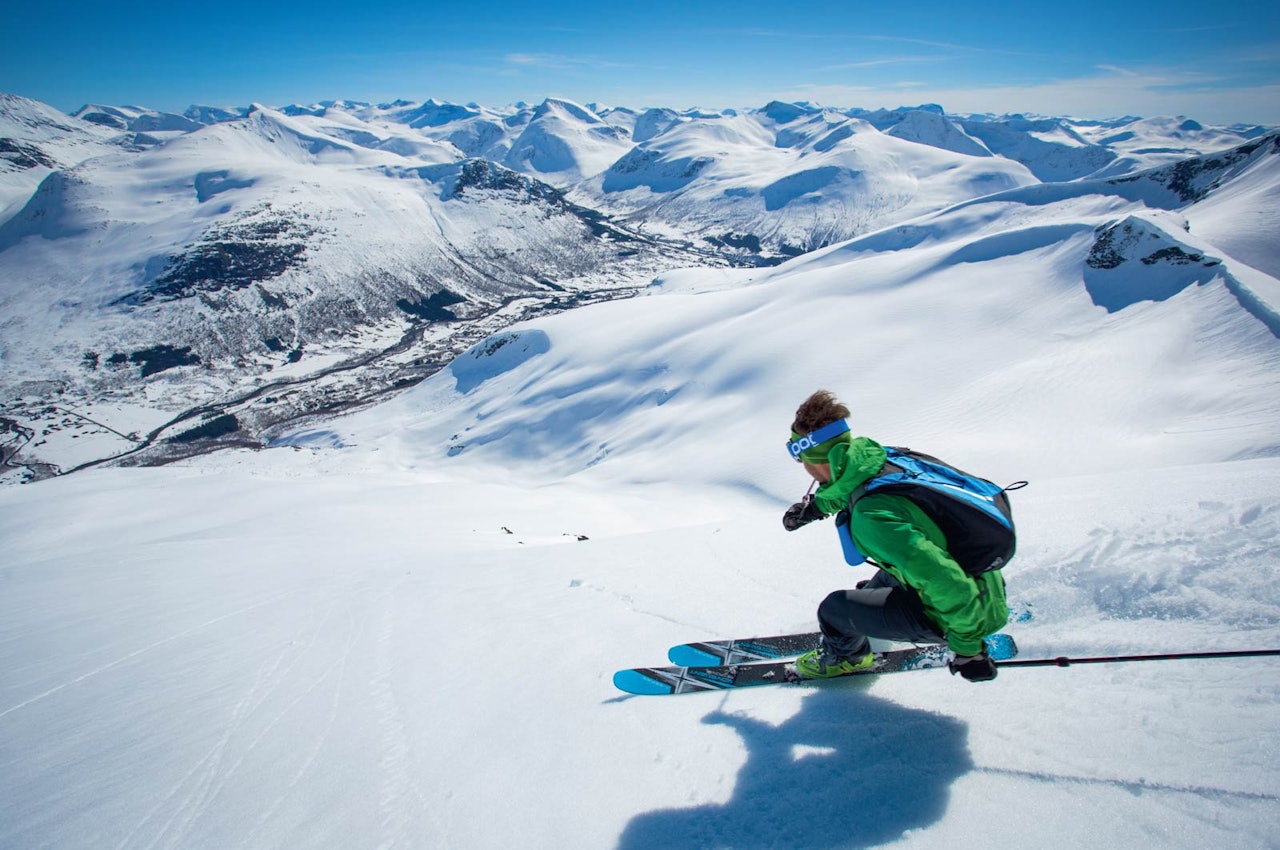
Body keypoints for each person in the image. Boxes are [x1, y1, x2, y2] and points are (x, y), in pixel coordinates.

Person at [782, 390, 1008, 682]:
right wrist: (815, 509)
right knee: (871, 591)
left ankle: (848, 659)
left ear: (815, 458)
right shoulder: (882, 456)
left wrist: (969, 651)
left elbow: (946, 582)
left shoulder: (872, 517)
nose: (803, 467)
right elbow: (851, 483)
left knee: (833, 610)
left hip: (967, 613)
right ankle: (874, 615)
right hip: (984, 581)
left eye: (801, 459)